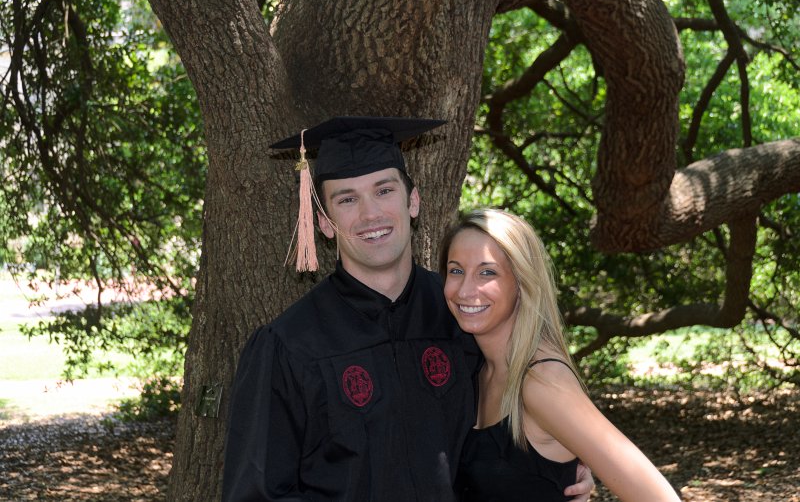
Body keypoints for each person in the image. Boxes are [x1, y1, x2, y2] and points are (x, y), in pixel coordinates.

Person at [221, 117, 595, 501]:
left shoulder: (465, 315)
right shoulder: (290, 346)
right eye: (347, 199)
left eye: (384, 190)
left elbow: (512, 429)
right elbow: (257, 493)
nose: (370, 215)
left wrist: (556, 470)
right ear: (324, 223)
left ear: (412, 201)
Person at [439, 208, 681, 502]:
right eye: (456, 270)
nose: (466, 289)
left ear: (522, 282)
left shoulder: (542, 381)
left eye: (487, 272)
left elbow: (658, 497)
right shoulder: (473, 368)